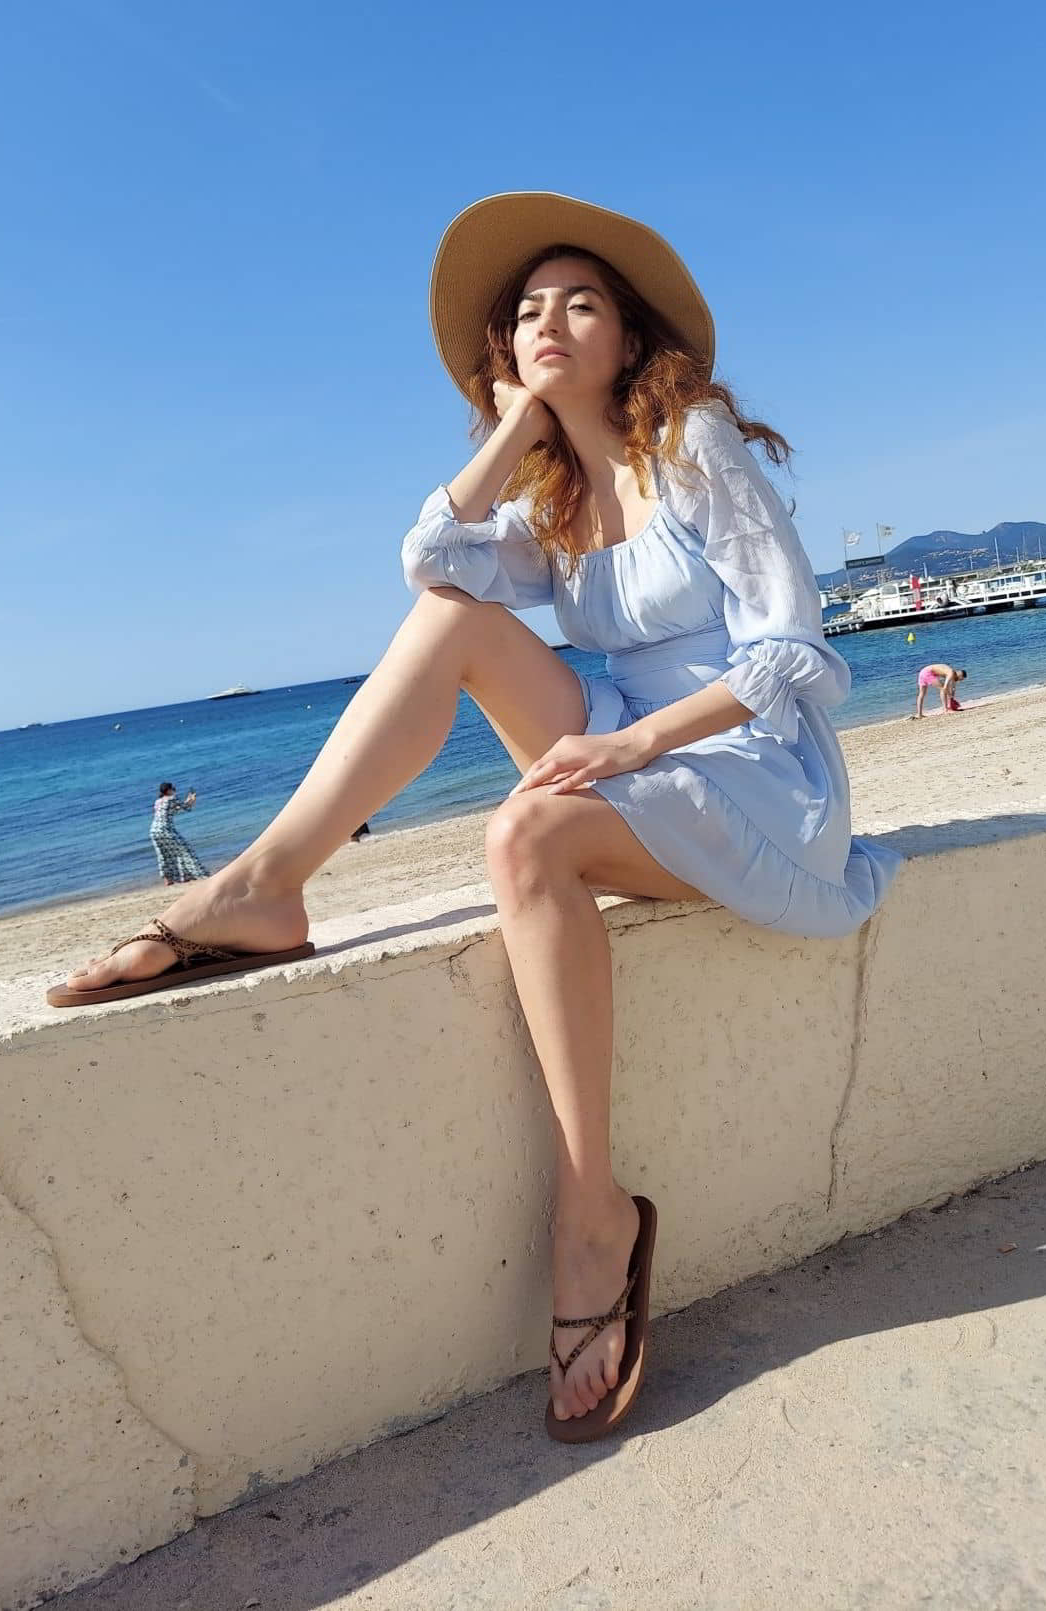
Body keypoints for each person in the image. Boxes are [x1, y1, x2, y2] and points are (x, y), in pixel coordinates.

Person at [46, 192, 900, 1442]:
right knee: (448, 623)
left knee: (520, 832)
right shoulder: (548, 494)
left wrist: (630, 740)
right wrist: (511, 427)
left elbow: (793, 650)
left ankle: (590, 1214)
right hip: (620, 733)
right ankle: (265, 887)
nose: (550, 321)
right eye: (526, 314)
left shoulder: (693, 444)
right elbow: (430, 563)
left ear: (629, 334)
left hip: (750, 760)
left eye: (581, 303)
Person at [150, 782, 208, 885]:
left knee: (163, 855)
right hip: (166, 829)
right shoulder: (171, 799)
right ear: (168, 790)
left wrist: (188, 800)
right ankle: (196, 874)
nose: (174, 790)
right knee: (184, 850)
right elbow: (186, 808)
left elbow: (173, 811)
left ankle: (168, 879)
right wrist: (192, 800)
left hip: (154, 830)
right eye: (173, 788)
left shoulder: (158, 801)